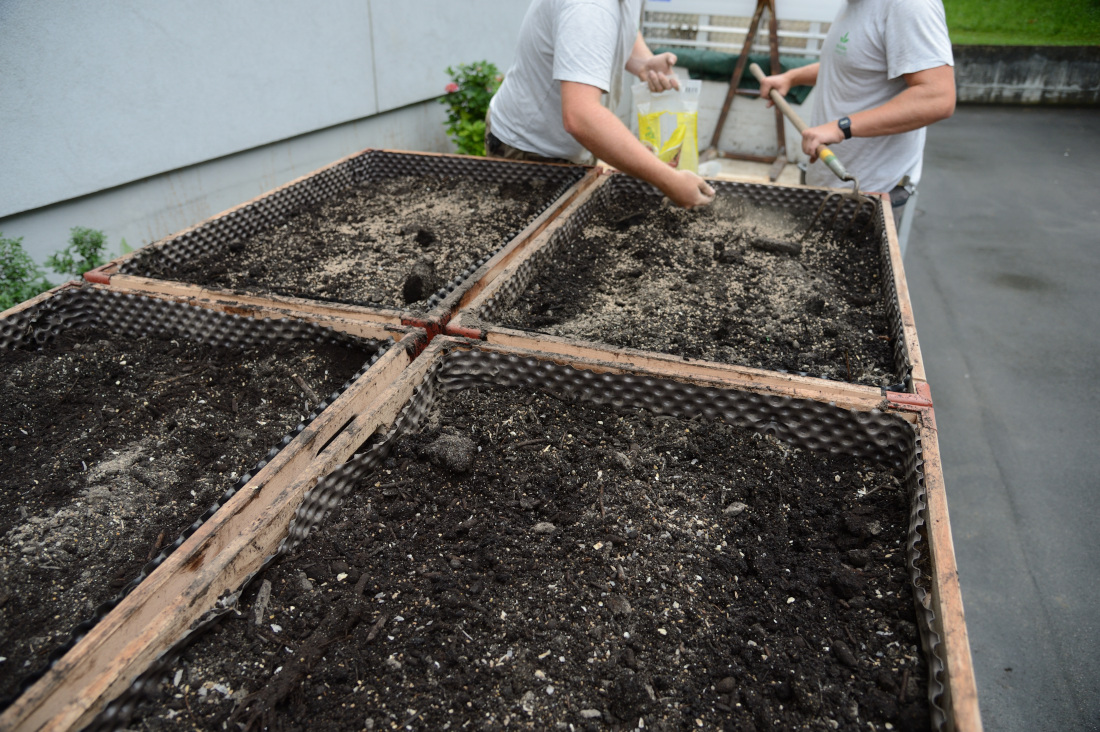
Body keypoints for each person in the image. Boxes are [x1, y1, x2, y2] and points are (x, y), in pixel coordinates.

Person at [486, 0, 715, 209]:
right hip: (531, 153)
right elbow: (581, 117)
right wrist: (670, 181)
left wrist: (642, 62)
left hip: (568, 146)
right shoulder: (589, 8)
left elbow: (623, 26)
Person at [759, 0, 955, 226]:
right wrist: (792, 78)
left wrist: (840, 128)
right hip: (828, 185)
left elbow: (937, 97)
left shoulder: (909, 5)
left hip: (867, 197)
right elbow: (850, 64)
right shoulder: (854, 4)